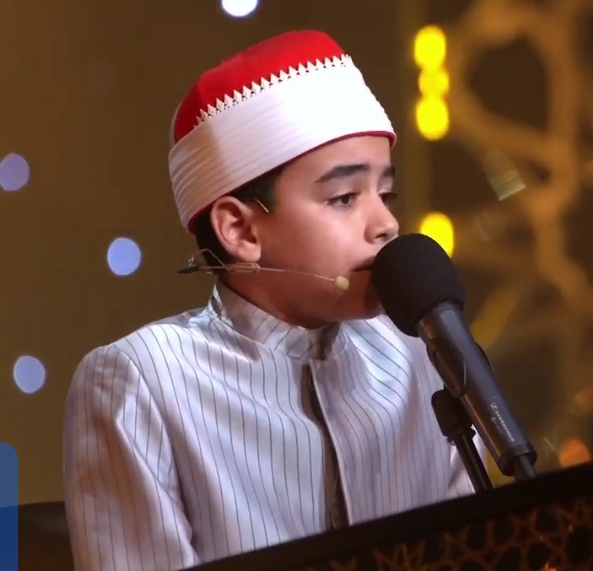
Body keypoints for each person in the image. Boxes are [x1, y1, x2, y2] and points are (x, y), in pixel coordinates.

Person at [63, 30, 479, 571]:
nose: (385, 224)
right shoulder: (142, 380)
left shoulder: (416, 351)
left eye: (386, 193)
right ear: (239, 229)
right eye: (344, 197)